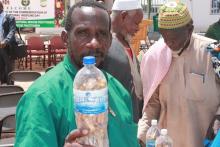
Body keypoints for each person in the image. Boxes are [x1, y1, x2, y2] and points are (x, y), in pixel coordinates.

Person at [15, 1, 140, 147]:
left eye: (102, 34)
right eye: (83, 33)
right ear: (65, 38)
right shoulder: (41, 97)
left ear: (110, 40)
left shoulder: (118, 91)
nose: (94, 43)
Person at [138, 2, 220, 147]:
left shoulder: (214, 52)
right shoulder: (156, 56)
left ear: (190, 29)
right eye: (164, 35)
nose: (169, 42)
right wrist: (142, 136)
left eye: (174, 36)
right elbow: (152, 104)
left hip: (206, 141)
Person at [102, 0, 144, 123]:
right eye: (136, 23)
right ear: (124, 16)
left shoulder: (124, 41)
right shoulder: (107, 46)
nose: (137, 28)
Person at [0, 1, 16, 84]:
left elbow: (12, 31)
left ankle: (11, 87)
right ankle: (3, 87)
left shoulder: (9, 17)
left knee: (9, 68)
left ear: (1, 7)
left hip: (6, 47)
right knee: (1, 68)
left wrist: (5, 41)